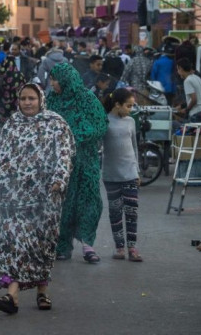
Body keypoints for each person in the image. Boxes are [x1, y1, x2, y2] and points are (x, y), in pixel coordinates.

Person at [0, 83, 75, 314]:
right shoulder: (12, 125)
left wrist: (59, 179)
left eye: (32, 98)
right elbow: (1, 158)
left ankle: (42, 291)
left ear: (41, 100)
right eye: (23, 98)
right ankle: (12, 295)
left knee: (41, 246)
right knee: (16, 245)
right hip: (15, 198)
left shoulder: (56, 124)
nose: (27, 103)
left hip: (46, 198)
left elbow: (65, 155)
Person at [46, 63, 108, 263]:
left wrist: (74, 137)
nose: (53, 83)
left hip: (86, 160)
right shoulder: (51, 100)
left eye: (55, 79)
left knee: (89, 201)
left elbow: (100, 124)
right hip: (62, 164)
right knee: (63, 203)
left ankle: (88, 244)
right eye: (51, 79)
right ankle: (62, 246)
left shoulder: (86, 98)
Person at [101, 88, 144, 261]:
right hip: (111, 175)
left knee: (132, 212)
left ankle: (132, 248)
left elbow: (134, 147)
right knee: (115, 212)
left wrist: (137, 171)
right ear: (117, 105)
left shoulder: (131, 122)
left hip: (130, 173)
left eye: (132, 106)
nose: (130, 109)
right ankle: (120, 248)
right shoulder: (103, 121)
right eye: (128, 106)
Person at [0, 55, 27, 127]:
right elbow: (24, 88)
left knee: (2, 125)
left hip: (1, 104)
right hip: (15, 103)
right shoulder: (20, 75)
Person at [176, 58, 201, 123]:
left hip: (196, 113)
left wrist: (187, 109)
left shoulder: (187, 81)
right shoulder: (197, 77)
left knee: (192, 132)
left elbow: (194, 99)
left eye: (177, 69)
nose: (178, 72)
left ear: (180, 68)